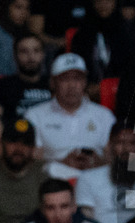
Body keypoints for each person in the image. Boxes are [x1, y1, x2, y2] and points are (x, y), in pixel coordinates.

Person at [25, 52, 115, 180]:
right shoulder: (35, 115)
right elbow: (31, 160)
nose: (72, 85)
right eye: (64, 79)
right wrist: (62, 162)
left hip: (95, 177)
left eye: (77, 79)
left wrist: (97, 162)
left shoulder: (104, 115)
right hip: (53, 181)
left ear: (85, 82)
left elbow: (112, 157)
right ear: (52, 82)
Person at [74, 123, 135, 223]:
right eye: (121, 142)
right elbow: (86, 219)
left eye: (133, 143)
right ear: (110, 145)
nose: (127, 149)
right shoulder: (88, 177)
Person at [0, 117, 45, 223]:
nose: (18, 148)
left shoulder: (45, 173)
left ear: (33, 148)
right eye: (12, 141)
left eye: (25, 143)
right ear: (1, 143)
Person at [70, 0, 135, 90]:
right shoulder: (82, 35)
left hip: (123, 91)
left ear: (115, 1)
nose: (102, 3)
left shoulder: (129, 32)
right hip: (88, 94)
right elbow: (76, 68)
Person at [0, 31, 50, 123]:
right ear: (15, 55)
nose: (31, 57)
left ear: (43, 54)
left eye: (36, 50)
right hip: (14, 135)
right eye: (24, 51)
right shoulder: (0, 87)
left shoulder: (55, 85)